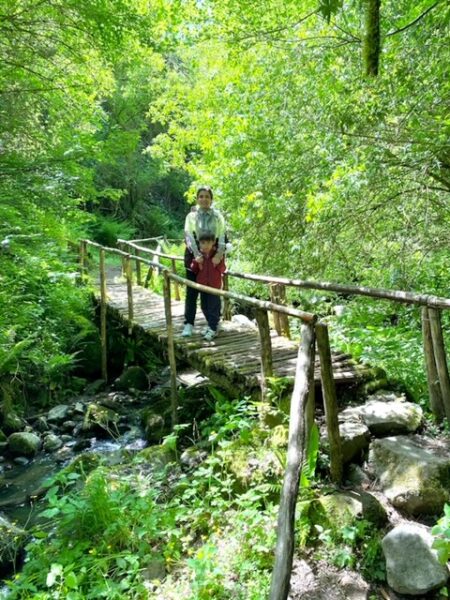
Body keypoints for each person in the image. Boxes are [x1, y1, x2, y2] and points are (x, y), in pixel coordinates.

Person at [182, 186, 226, 338]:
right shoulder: (191, 216)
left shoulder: (217, 216)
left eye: (207, 196)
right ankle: (189, 323)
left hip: (213, 258)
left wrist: (219, 255)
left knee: (212, 292)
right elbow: (188, 236)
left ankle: (213, 323)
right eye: (201, 196)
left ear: (211, 199)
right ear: (197, 199)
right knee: (192, 292)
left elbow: (221, 236)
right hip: (194, 257)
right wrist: (196, 255)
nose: (204, 199)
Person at [189, 231, 226, 341]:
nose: (204, 246)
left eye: (207, 243)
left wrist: (218, 262)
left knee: (213, 307)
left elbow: (223, 269)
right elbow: (193, 269)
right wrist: (196, 262)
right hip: (202, 285)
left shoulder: (217, 254)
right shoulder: (199, 255)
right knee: (204, 307)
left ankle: (212, 328)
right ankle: (213, 326)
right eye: (202, 243)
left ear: (213, 243)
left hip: (214, 286)